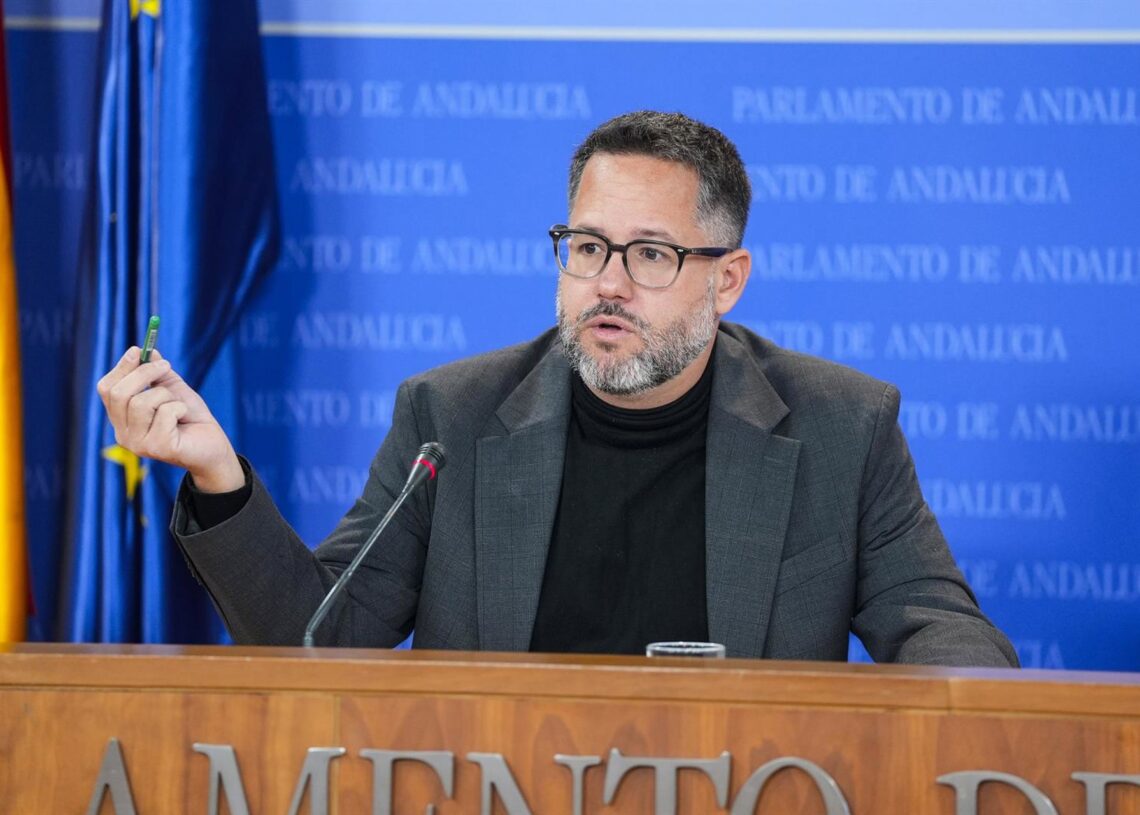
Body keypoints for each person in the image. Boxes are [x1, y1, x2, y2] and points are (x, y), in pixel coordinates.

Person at [98, 111, 1018, 666]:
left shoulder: (841, 426)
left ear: (728, 280)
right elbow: (320, 635)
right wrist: (218, 474)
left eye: (649, 254)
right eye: (587, 247)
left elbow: (943, 631)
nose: (607, 283)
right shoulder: (451, 417)